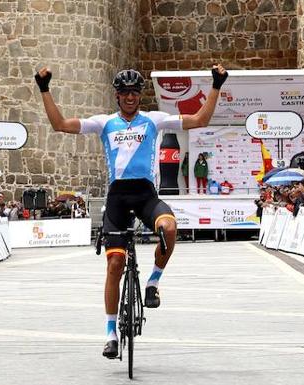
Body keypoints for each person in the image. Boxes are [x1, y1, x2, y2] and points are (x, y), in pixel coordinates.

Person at [35, 63, 228, 358]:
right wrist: (44, 89)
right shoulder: (104, 123)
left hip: (145, 195)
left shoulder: (155, 120)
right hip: (117, 198)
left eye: (134, 92)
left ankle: (152, 283)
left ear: (140, 95)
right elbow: (59, 124)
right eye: (124, 92)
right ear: (117, 95)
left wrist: (216, 84)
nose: (130, 97)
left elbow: (200, 119)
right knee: (114, 265)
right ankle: (111, 332)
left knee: (171, 228)